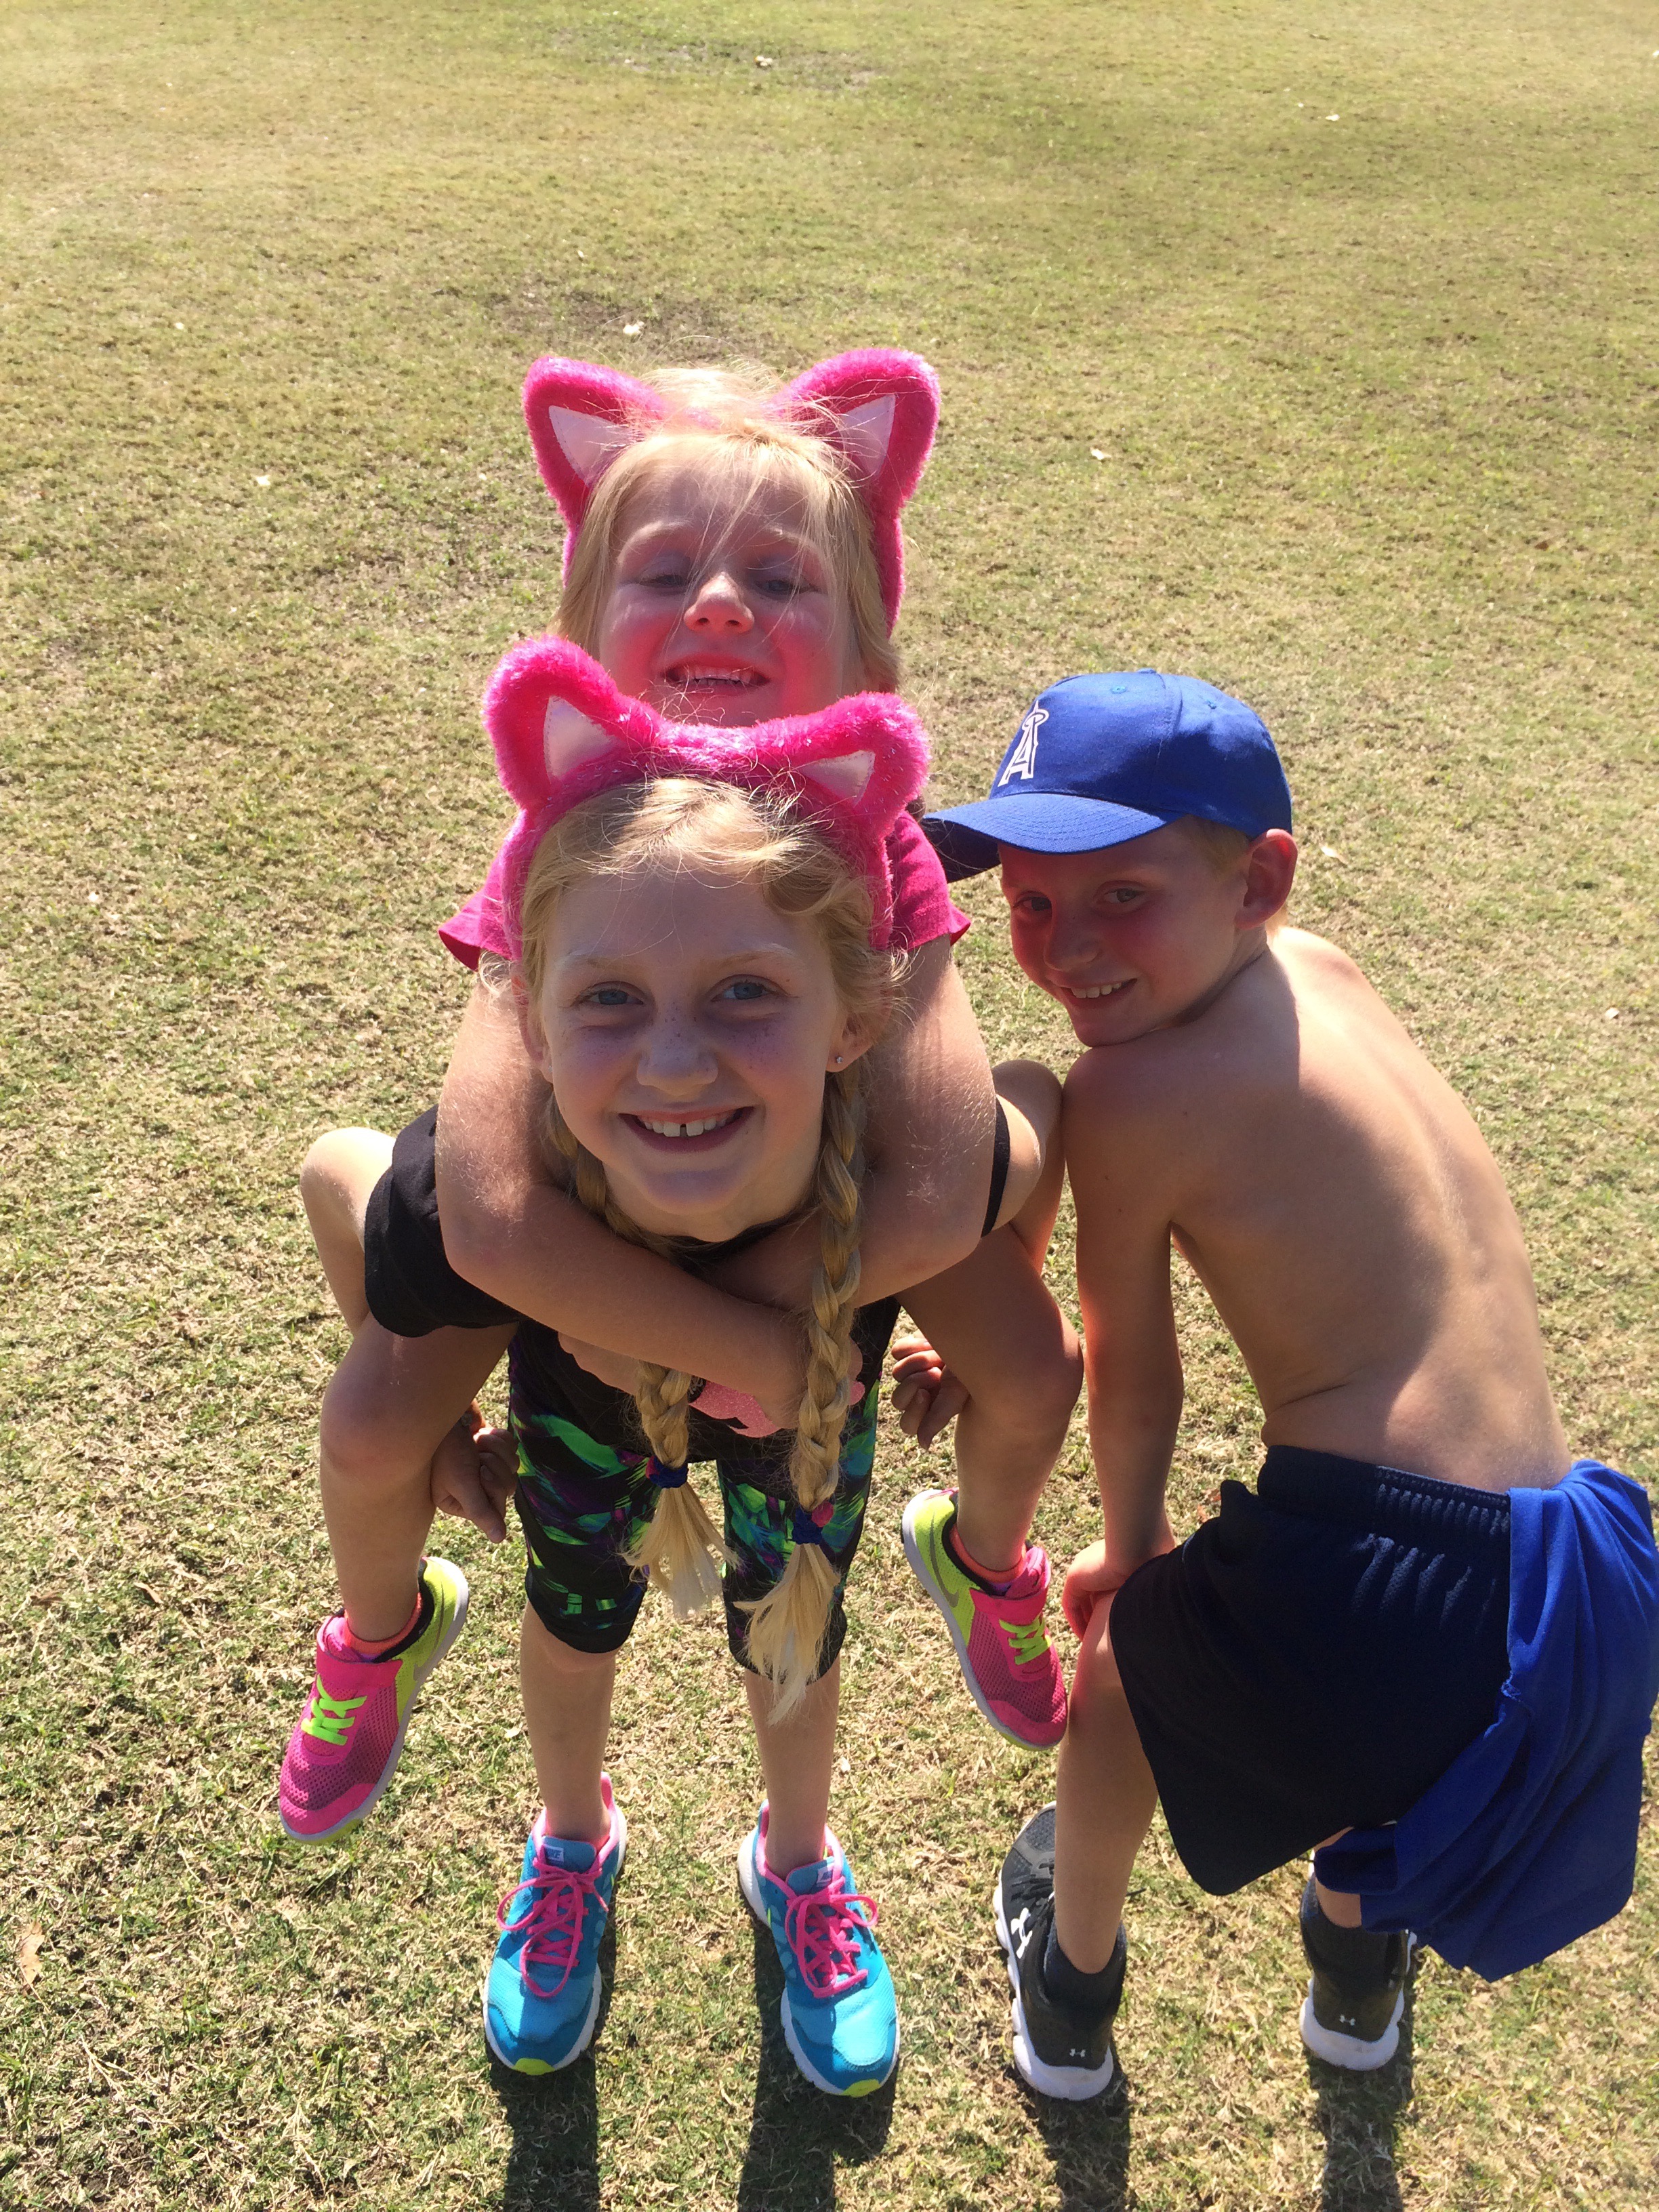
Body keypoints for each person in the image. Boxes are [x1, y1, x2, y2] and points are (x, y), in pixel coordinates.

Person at [283, 354, 1078, 1834]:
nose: (719, 605)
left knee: (1034, 1357)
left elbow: (932, 1179)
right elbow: (494, 1215)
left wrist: (730, 1327)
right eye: (664, 573)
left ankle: (980, 1563)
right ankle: (381, 1634)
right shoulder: (560, 826)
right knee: (373, 1427)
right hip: (583, 1226)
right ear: (582, 633)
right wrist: (738, 1348)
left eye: (779, 579)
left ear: (868, 648)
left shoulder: (879, 835)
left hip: (813, 1210)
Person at [289, 638, 1064, 2091]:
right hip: (582, 1427)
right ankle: (571, 1843)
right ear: (530, 1016)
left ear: (856, 1017)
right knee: (575, 1623)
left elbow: (1028, 1128)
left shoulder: (894, 1190)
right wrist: (431, 1413)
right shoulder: (505, 1211)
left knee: (794, 1633)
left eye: (745, 992)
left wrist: (991, 1298)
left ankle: (798, 1861)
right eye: (607, 1001)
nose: (675, 1061)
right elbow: (340, 1174)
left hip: (809, 1420)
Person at [915, 670, 1659, 2100]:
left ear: (1258, 880)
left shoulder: (1129, 1094)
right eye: (1030, 904)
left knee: (1127, 1677)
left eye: (1121, 896)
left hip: (1386, 1562)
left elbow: (1136, 1376)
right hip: (1570, 1561)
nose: (1068, 948)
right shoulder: (1325, 970)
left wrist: (1128, 1558)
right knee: (1375, 1735)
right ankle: (1357, 1993)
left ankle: (1068, 1989)